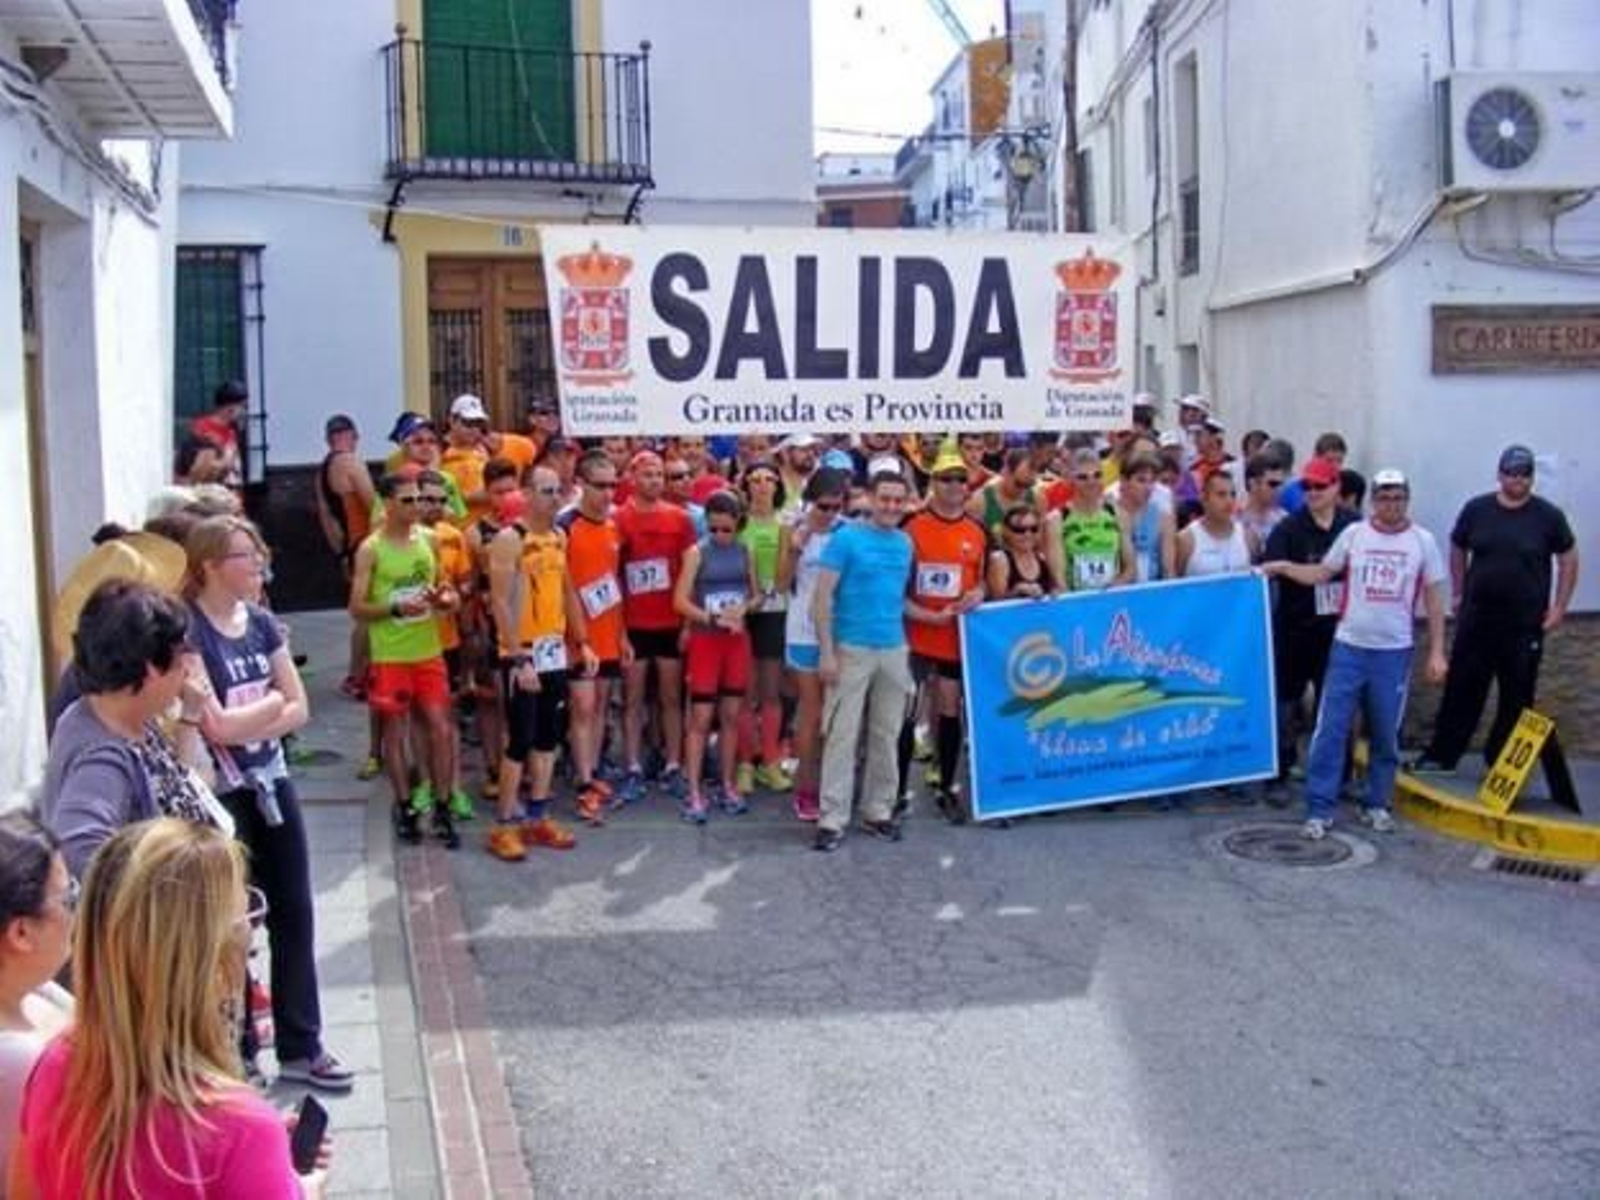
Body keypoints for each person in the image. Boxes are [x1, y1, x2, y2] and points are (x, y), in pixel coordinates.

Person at [11, 819, 331, 1198]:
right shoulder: (241, 1130)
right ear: (212, 959)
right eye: (246, 920)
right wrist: (301, 1188)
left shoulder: (52, 1066)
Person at [183, 516, 352, 1093]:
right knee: (234, 925)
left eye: (259, 553)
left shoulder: (260, 624)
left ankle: (302, 1044)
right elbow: (218, 726)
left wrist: (263, 713)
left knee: (295, 912)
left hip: (273, 780)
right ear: (208, 564)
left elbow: (300, 707)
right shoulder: (189, 632)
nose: (257, 564)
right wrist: (268, 709)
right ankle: (241, 1050)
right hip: (226, 793)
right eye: (243, 555)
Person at [1264, 469, 1449, 840]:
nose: (1391, 504)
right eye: (1384, 497)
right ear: (1373, 501)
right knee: (1330, 730)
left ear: (1407, 500)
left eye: (1398, 497)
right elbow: (1322, 573)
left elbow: (1433, 596)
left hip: (1393, 652)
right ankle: (1320, 807)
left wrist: (1438, 652)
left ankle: (1377, 803)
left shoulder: (1422, 541)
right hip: (1348, 647)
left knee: (1384, 732)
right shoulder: (1354, 535)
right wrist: (1283, 567)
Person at [41, 580, 230, 880]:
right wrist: (160, 903)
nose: (189, 666)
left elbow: (177, 784)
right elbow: (78, 848)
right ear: (152, 668)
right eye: (183, 653)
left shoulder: (129, 717)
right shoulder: (102, 754)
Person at [1410, 445, 1579, 775]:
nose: (1517, 480)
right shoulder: (1477, 509)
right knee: (1462, 688)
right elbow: (1458, 546)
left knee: (1517, 695)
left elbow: (1569, 557)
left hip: (1524, 625)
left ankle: (1501, 761)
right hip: (1477, 619)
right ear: (1500, 474)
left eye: (1524, 474)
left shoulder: (1548, 516)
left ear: (1532, 478)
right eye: (1511, 473)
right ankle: (1442, 755)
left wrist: (1560, 606)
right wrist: (1457, 592)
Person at [485, 467, 596, 861]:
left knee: (549, 735)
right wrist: (517, 659)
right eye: (546, 491)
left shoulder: (557, 536)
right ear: (528, 494)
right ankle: (503, 825)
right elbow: (498, 602)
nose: (553, 498)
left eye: (557, 491)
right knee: (520, 738)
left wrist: (582, 643)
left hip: (553, 650)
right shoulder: (508, 539)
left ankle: (537, 815)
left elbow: (567, 591)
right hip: (522, 653)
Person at [348, 469, 462, 848]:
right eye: (408, 500)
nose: (418, 506)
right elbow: (357, 607)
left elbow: (443, 588)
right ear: (388, 503)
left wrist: (445, 601)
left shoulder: (429, 539)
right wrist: (396, 608)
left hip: (428, 650)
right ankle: (405, 806)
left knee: (440, 728)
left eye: (421, 499)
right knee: (395, 733)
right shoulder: (371, 548)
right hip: (390, 654)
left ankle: (443, 805)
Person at [812, 470, 915, 852]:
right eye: (884, 498)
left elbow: (898, 599)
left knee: (886, 735)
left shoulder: (905, 543)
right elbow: (821, 599)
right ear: (870, 498)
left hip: (893, 648)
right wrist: (826, 651)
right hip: (851, 648)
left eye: (897, 500)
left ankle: (878, 812)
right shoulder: (846, 538)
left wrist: (942, 614)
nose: (891, 506)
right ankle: (831, 818)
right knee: (841, 734)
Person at [901, 448, 987, 822]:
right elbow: (896, 590)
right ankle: (897, 789)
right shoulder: (912, 526)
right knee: (906, 713)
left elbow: (983, 580)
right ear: (932, 484)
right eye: (946, 478)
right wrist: (925, 615)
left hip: (954, 638)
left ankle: (947, 786)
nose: (954, 485)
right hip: (916, 635)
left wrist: (978, 594)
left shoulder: (976, 530)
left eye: (960, 479)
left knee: (950, 712)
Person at [1264, 456, 1358, 788]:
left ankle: (1339, 775)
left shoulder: (1353, 526)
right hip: (1295, 629)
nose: (1313, 492)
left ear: (1336, 488)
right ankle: (1279, 773)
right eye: (1308, 486)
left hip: (1339, 632)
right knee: (1287, 705)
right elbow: (1270, 569)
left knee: (1335, 706)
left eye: (1321, 486)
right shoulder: (1288, 528)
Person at [615, 450, 698, 801]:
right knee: (633, 699)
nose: (655, 481)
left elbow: (690, 573)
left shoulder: (680, 519)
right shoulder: (618, 519)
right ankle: (633, 765)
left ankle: (673, 765)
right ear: (633, 478)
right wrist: (618, 630)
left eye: (659, 475)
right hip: (634, 622)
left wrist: (687, 625)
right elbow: (613, 574)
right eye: (647, 475)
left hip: (669, 620)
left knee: (670, 698)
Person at [673, 491, 758, 822]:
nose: (721, 535)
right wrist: (712, 619)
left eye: (727, 529)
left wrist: (743, 609)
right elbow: (680, 600)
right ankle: (694, 791)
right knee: (700, 719)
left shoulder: (744, 550)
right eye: (715, 529)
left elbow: (755, 595)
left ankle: (726, 783)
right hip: (706, 642)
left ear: (738, 523)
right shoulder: (696, 553)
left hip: (736, 641)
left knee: (732, 716)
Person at [0, 814, 75, 1187]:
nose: (76, 910)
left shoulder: (38, 992)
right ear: (22, 932)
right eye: (67, 898)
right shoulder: (24, 1058)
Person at [777, 468, 849, 823]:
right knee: (812, 711)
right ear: (809, 501)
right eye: (823, 506)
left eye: (837, 506)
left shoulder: (847, 530)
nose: (830, 513)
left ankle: (832, 784)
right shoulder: (792, 525)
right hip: (803, 629)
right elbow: (779, 583)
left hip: (839, 630)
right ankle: (805, 786)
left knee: (838, 713)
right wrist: (793, 550)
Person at [736, 461, 792, 794]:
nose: (761, 485)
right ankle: (745, 761)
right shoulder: (737, 524)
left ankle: (770, 761)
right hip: (741, 613)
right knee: (745, 692)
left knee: (771, 691)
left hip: (773, 611)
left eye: (768, 479)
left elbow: (785, 581)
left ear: (777, 486)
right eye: (754, 479)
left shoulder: (785, 524)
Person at [1045, 447, 1133, 592]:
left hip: (1110, 600)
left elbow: (1130, 568)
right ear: (1071, 479)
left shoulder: (1118, 514)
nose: (1091, 482)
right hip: (1077, 602)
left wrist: (1115, 587)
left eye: (1097, 475)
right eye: (1083, 477)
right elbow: (1058, 579)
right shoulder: (1056, 520)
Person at [1177, 471, 1257, 577]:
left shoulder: (1247, 536)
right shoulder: (1186, 539)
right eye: (1221, 494)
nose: (1229, 501)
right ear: (1204, 499)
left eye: (1232, 494)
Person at [1113, 451, 1176, 583]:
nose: (1148, 487)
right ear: (1123, 481)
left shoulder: (1164, 518)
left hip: (1152, 593)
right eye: (1141, 480)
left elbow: (1168, 571)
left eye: (1152, 481)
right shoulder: (1109, 514)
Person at [988, 502, 1058, 599]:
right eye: (1019, 530)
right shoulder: (999, 559)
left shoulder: (1042, 558)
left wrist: (1054, 593)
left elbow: (1053, 591)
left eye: (1034, 529)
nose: (1027, 534)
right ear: (1006, 531)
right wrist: (1018, 591)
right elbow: (995, 601)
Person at [968, 447, 1041, 534]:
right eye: (1018, 484)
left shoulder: (1037, 497)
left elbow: (1040, 539)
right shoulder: (979, 502)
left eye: (1029, 486)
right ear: (1005, 472)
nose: (1023, 491)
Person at [1279, 431, 1348, 515]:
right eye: (1329, 461)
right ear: (1315, 457)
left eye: (1340, 461)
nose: (1336, 467)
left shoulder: (1339, 486)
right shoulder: (1294, 491)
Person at [1237, 453, 1288, 554]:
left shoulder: (1285, 520)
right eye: (1273, 484)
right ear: (1253, 484)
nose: (1279, 489)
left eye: (1281, 484)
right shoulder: (1234, 519)